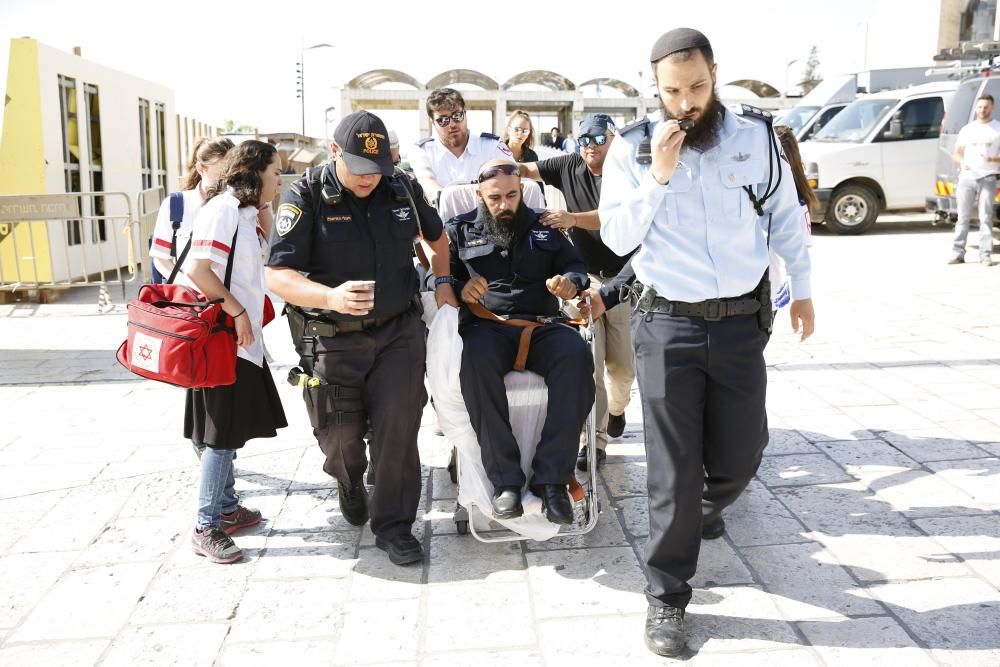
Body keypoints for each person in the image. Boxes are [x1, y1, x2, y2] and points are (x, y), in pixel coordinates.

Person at [599, 28, 815, 657]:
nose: (686, 103)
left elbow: (784, 217)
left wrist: (801, 288)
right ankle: (667, 597)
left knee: (744, 453)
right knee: (670, 467)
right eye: (672, 91)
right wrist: (658, 178)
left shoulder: (754, 138)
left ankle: (700, 507)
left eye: (697, 86)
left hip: (741, 322)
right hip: (667, 323)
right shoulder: (634, 149)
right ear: (656, 89)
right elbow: (616, 239)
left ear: (715, 75)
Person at [266, 111, 457, 567]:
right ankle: (349, 481)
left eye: (379, 169)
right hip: (332, 339)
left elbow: (437, 239)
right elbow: (278, 275)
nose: (371, 178)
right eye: (360, 168)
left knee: (398, 430)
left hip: (397, 332)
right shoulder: (305, 194)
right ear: (335, 153)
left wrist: (443, 283)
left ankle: (394, 526)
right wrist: (329, 296)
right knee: (341, 439)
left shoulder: (401, 187)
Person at [444, 159, 594, 524]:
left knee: (576, 354)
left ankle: (552, 480)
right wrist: (462, 289)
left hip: (541, 324)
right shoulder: (459, 231)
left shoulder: (545, 226)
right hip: (487, 327)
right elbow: (439, 277)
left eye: (512, 195)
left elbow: (575, 266)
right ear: (479, 194)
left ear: (522, 191)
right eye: (495, 197)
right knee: (473, 362)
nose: (504, 204)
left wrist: (570, 283)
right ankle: (506, 482)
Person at [177, 140, 288, 564]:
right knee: (220, 436)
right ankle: (206, 525)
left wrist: (263, 210)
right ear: (256, 171)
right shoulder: (223, 209)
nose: (279, 179)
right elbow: (198, 270)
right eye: (275, 171)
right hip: (222, 338)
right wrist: (238, 310)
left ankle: (225, 507)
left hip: (239, 341)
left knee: (230, 429)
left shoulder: (243, 212)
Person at [518, 113, 634, 471]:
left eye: (598, 139)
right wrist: (500, 163)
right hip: (586, 281)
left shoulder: (627, 168)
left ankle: (616, 410)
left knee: (623, 369)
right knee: (592, 364)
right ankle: (594, 441)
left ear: (613, 138)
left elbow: (617, 216)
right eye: (583, 140)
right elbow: (526, 170)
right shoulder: (568, 164)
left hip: (626, 281)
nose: (591, 147)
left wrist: (571, 218)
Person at [149, 137, 238, 462]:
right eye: (222, 167)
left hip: (225, 304)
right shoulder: (177, 204)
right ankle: (207, 444)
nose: (229, 175)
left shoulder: (234, 205)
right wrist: (189, 286)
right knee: (196, 374)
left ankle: (219, 445)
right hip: (190, 306)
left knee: (222, 373)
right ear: (201, 168)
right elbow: (161, 255)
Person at [769, 126, 817, 310]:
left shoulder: (793, 200)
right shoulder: (799, 196)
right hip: (767, 288)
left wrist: (792, 283)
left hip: (766, 291)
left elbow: (798, 247)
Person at [950, 93, 1000, 267]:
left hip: (988, 177)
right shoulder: (967, 129)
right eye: (980, 107)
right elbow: (956, 153)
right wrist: (962, 162)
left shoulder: (997, 128)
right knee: (962, 217)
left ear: (992, 107)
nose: (982, 110)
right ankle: (958, 253)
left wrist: (994, 160)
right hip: (967, 178)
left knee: (985, 217)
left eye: (986, 107)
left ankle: (985, 255)